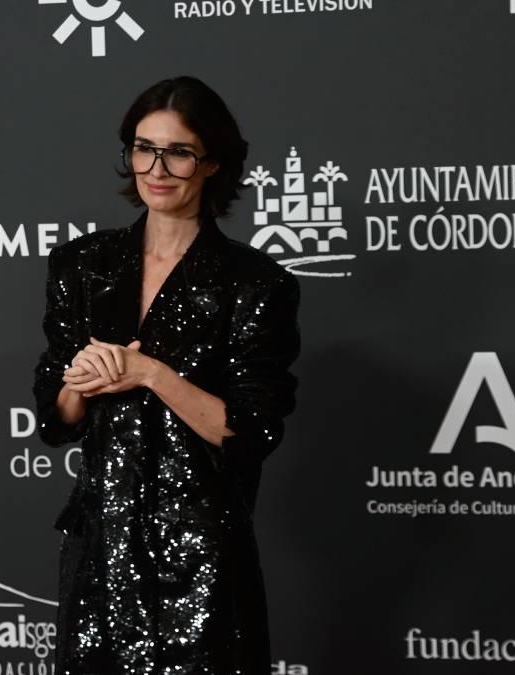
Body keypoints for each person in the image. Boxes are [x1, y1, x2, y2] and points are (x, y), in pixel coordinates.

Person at [32, 75, 302, 674]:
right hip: (101, 549)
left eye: (178, 152)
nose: (156, 169)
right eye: (143, 148)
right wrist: (79, 380)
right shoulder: (83, 265)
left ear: (213, 163)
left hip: (203, 554)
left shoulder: (256, 284)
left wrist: (152, 373)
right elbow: (56, 419)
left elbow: (251, 430)